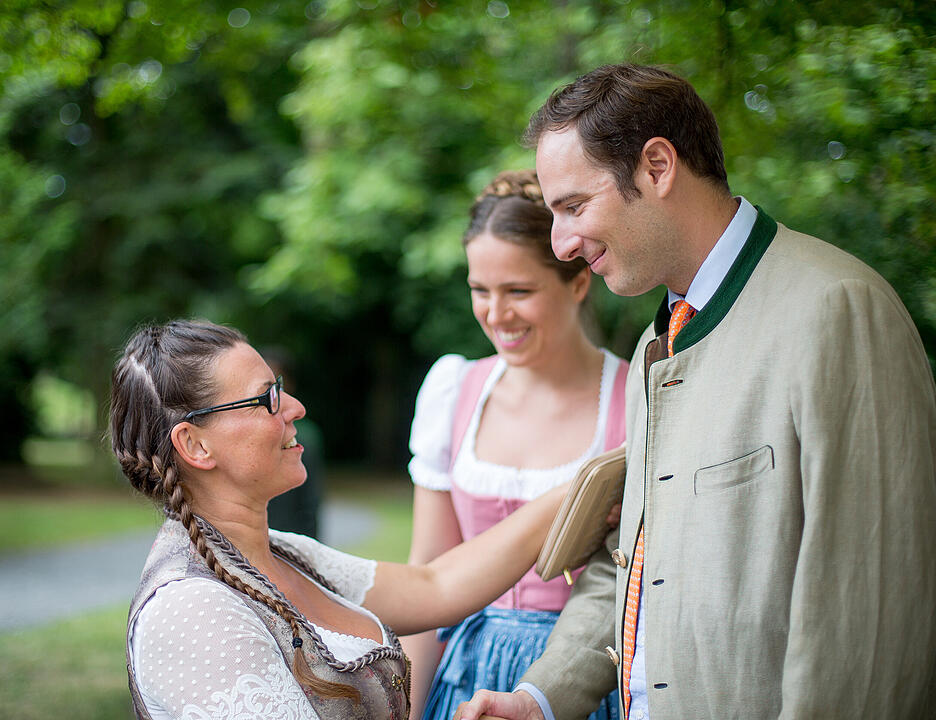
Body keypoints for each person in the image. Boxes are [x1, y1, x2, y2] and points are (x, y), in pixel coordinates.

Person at [456, 63, 936, 720]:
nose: (561, 244)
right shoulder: (658, 343)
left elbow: (870, 613)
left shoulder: (838, 311)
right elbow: (635, 561)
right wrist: (540, 698)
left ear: (658, 167)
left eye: (573, 207)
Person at [110, 319, 573, 720]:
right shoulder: (190, 612)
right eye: (266, 398)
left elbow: (436, 586)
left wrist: (577, 489)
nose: (295, 407)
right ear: (195, 445)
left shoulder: (286, 553)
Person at [403, 170, 628, 720]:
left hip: (587, 679)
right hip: (466, 676)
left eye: (519, 291)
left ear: (578, 282)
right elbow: (426, 573)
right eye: (480, 290)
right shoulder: (454, 390)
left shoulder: (635, 399)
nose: (496, 314)